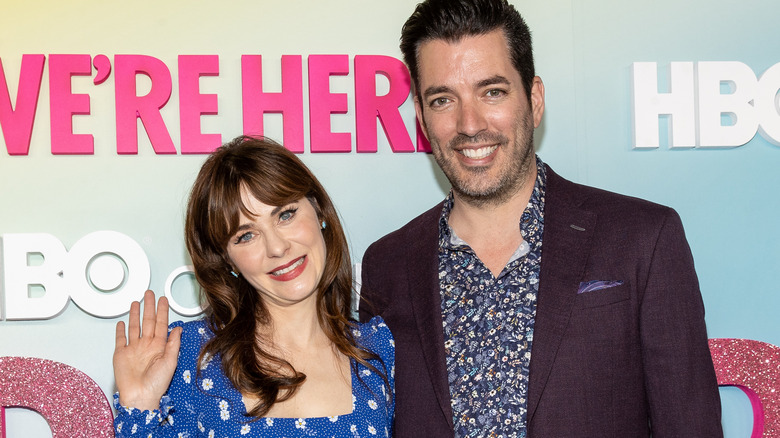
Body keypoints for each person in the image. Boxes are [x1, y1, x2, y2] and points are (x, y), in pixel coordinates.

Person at [358, 0, 723, 437]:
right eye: (442, 100)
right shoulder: (387, 265)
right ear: (420, 115)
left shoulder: (643, 239)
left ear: (534, 99)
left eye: (492, 91)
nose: (469, 124)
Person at [113, 136, 394, 437]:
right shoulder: (188, 357)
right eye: (246, 236)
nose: (277, 247)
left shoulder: (376, 348)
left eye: (285, 214)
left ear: (319, 210)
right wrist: (140, 405)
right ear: (228, 260)